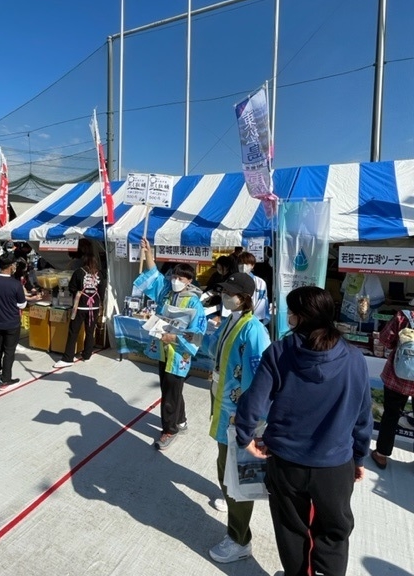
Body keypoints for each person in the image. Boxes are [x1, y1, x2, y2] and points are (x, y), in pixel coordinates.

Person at [236, 286, 373, 576]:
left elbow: (253, 400)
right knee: (334, 532)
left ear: (298, 317)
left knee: (292, 530)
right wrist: (359, 458)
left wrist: (245, 436)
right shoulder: (354, 358)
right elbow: (363, 417)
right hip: (335, 465)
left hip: (287, 463)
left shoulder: (280, 352)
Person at [207, 272, 271, 564]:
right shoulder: (232, 321)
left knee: (237, 477)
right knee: (227, 470)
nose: (224, 295)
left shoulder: (254, 330)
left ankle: (239, 539)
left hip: (238, 416)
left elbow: (259, 380)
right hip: (225, 409)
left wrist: (248, 418)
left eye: (229, 292)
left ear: (244, 297)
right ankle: (234, 513)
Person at [134, 237, 207, 450]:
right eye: (174, 275)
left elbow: (198, 332)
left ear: (189, 281)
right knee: (172, 390)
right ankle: (180, 420)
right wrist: (148, 252)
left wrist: (175, 338)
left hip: (179, 353)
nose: (176, 280)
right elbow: (153, 274)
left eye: (181, 278)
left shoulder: (193, 302)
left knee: (169, 394)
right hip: (163, 350)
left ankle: (169, 430)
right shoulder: (165, 291)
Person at [370, 309, 414, 469]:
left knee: (391, 416)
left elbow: (385, 339)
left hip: (397, 377)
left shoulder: (404, 316)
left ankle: (381, 455)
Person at [0, 252, 27, 390]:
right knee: (9, 351)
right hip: (12, 323)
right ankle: (6, 379)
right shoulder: (15, 284)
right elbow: (22, 304)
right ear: (11, 266)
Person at [53, 253, 106, 368]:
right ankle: (87, 355)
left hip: (80, 306)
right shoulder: (100, 274)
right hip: (94, 307)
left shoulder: (79, 272)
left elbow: (72, 287)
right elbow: (102, 291)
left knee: (73, 332)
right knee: (90, 331)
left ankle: (68, 358)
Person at [237, 251, 270, 324]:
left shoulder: (260, 282)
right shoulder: (233, 281)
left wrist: (262, 320)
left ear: (252, 266)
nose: (243, 266)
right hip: (237, 320)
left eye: (246, 264)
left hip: (255, 320)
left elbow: (263, 302)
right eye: (241, 263)